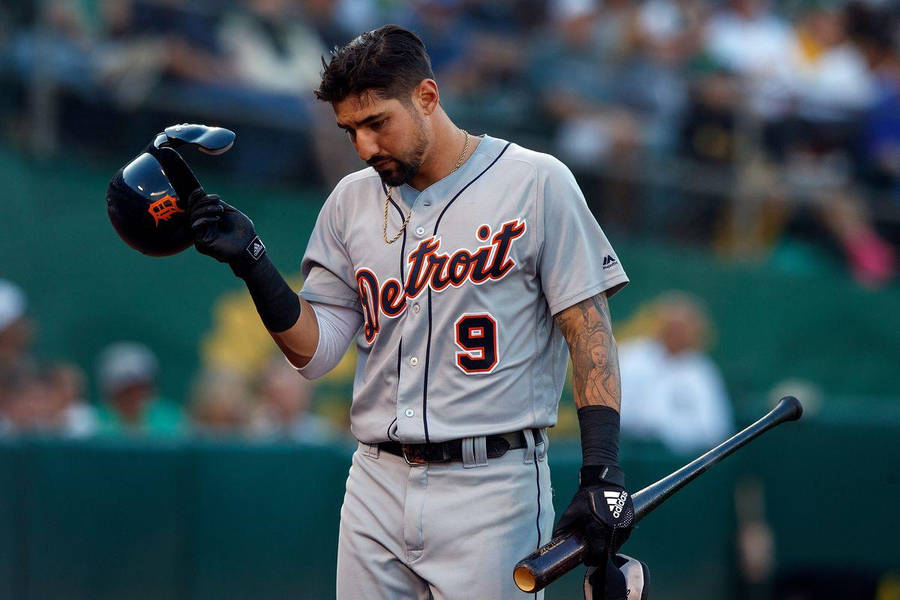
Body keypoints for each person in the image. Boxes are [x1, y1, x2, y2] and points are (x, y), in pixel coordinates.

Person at [186, 25, 636, 599]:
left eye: (378, 123)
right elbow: (316, 352)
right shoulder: (351, 200)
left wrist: (602, 469)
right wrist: (254, 265)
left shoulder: (536, 181)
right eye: (351, 130)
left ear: (427, 97)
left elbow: (588, 327)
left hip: (493, 483)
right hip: (376, 477)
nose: (366, 146)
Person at [618, 291, 733, 454]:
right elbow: (616, 413)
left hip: (684, 461)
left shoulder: (702, 370)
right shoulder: (631, 357)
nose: (677, 334)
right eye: (672, 327)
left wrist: (672, 432)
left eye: (684, 328)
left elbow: (716, 428)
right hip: (632, 455)